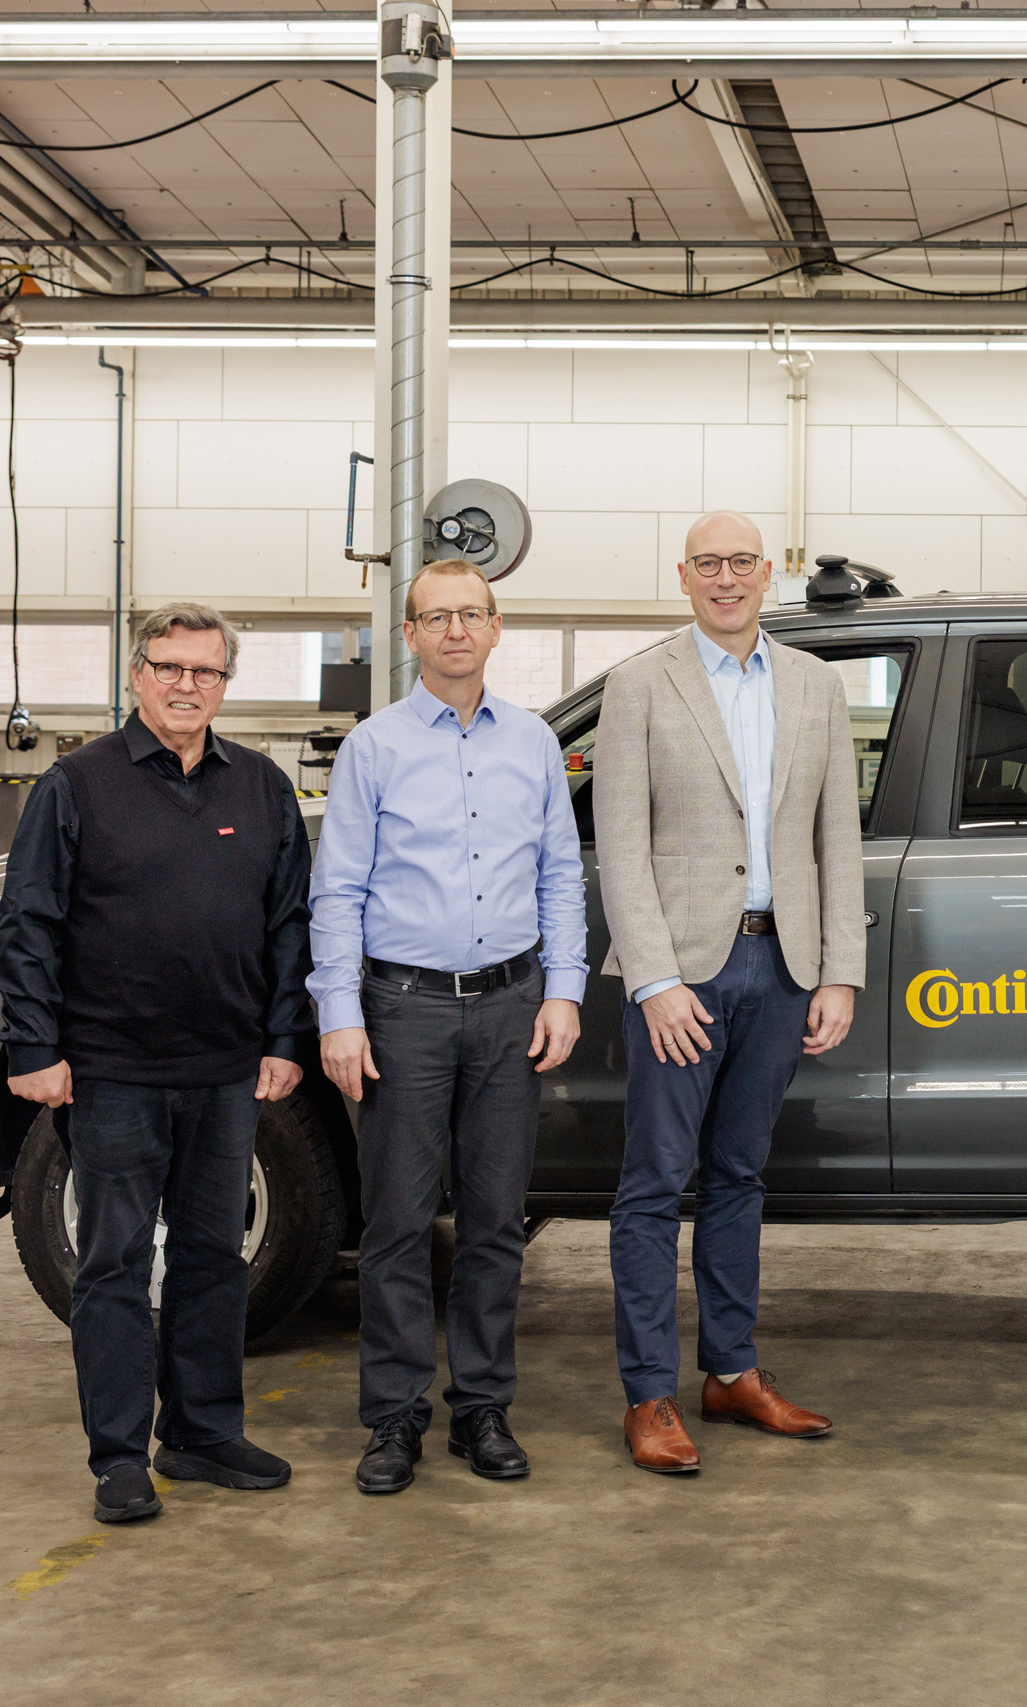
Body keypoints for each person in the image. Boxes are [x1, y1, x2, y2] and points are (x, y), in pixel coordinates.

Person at [0, 603, 312, 1524]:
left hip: (224, 1073)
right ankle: (120, 1455)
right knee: (115, 1263)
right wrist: (35, 1047)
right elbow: (31, 924)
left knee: (214, 1257)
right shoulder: (76, 783)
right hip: (112, 1069)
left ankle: (204, 1432)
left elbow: (287, 923)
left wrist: (283, 1040)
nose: (186, 685)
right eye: (168, 667)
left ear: (225, 684)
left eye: (205, 672)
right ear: (137, 675)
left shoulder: (259, 787)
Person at [311, 560, 587, 1495]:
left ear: (497, 627)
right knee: (394, 1223)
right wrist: (340, 1013)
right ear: (411, 633)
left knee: (495, 1220)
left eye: (471, 614)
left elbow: (559, 873)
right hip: (403, 1010)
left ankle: (481, 1406)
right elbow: (337, 889)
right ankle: (393, 1416)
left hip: (512, 1005)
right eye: (437, 616)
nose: (456, 630)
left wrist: (565, 989)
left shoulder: (536, 746)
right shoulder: (374, 748)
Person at [597, 509, 864, 1473]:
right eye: (708, 563)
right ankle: (648, 1393)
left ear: (767, 575)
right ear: (684, 575)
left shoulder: (814, 685)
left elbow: (838, 837)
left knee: (741, 1177)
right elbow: (622, 847)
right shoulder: (639, 685)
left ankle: (732, 1371)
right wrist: (657, 979)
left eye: (741, 562)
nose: (725, 578)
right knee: (654, 1184)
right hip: (683, 977)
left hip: (779, 966)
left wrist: (837, 969)